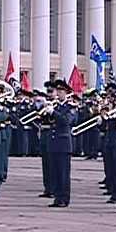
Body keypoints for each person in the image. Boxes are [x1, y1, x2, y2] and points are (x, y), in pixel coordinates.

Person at [46, 79, 77, 208]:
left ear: (67, 93)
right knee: (55, 172)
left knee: (63, 173)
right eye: (57, 91)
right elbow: (49, 122)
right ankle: (57, 197)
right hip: (54, 143)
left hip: (64, 144)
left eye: (61, 91)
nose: (58, 94)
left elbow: (66, 121)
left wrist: (53, 112)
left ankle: (64, 198)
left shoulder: (71, 107)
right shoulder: (56, 106)